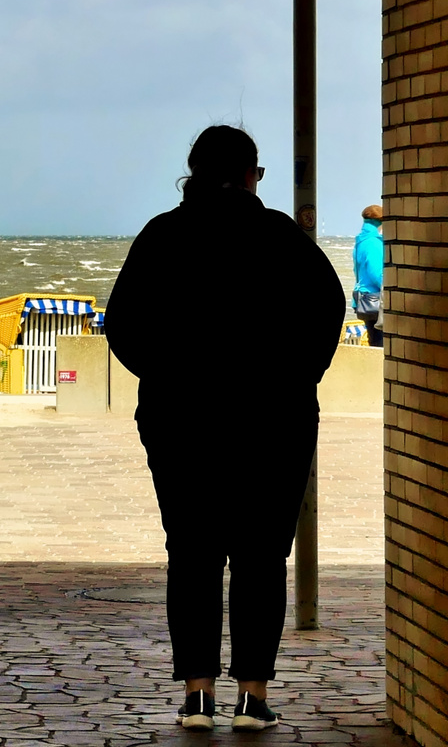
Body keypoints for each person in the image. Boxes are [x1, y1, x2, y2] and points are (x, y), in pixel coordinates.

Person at [105, 125, 344, 732]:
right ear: (248, 174)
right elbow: (326, 314)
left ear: (193, 172)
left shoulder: (162, 236)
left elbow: (122, 325)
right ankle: (253, 698)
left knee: (192, 551)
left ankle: (198, 695)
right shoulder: (283, 239)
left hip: (182, 418)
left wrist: (168, 376)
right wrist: (293, 380)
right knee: (262, 554)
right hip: (274, 420)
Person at [352, 204, 384, 346]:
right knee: (380, 343)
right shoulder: (373, 243)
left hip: (362, 298)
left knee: (373, 339)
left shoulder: (361, 242)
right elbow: (376, 273)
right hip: (374, 299)